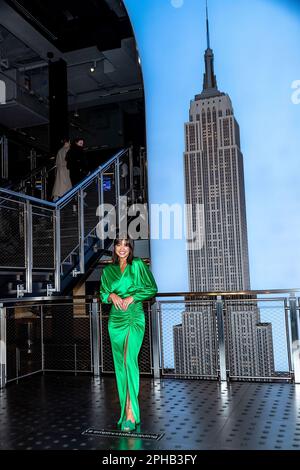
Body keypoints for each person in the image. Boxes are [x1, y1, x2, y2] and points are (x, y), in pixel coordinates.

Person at [99, 235, 158, 432]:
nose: (122, 248)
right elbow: (103, 294)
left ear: (131, 247)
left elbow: (152, 288)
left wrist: (133, 297)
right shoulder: (108, 270)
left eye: (126, 245)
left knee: (128, 360)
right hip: (115, 321)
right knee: (120, 365)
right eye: (118, 244)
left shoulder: (138, 265)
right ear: (114, 248)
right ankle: (125, 411)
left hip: (134, 316)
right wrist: (111, 295)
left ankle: (131, 413)